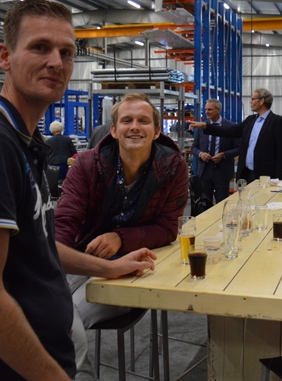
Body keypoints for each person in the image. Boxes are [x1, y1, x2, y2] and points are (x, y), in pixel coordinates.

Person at [0, 0, 155, 381]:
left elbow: (37, 243)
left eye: (66, 53)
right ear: (4, 57)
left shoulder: (24, 141)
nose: (56, 62)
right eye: (40, 47)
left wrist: (109, 267)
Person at [55, 93, 189, 380]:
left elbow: (168, 228)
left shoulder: (173, 166)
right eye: (127, 121)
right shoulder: (87, 164)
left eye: (143, 121)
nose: (135, 127)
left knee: (61, 319)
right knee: (46, 309)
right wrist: (55, 262)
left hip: (131, 267)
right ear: (114, 130)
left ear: (157, 130)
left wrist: (120, 237)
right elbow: (63, 226)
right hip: (83, 258)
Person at [189, 88, 282, 182]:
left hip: (266, 176)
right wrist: (206, 126)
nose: (250, 102)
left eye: (253, 99)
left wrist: (279, 179)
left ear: (261, 101)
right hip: (247, 174)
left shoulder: (277, 121)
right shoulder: (250, 120)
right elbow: (230, 131)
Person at [191, 99, 241, 203]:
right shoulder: (201, 127)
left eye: (210, 109)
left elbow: (239, 148)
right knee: (204, 203)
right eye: (206, 109)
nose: (207, 112)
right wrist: (201, 154)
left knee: (222, 203)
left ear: (218, 110)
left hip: (222, 171)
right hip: (205, 170)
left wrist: (224, 154)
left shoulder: (231, 127)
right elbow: (194, 147)